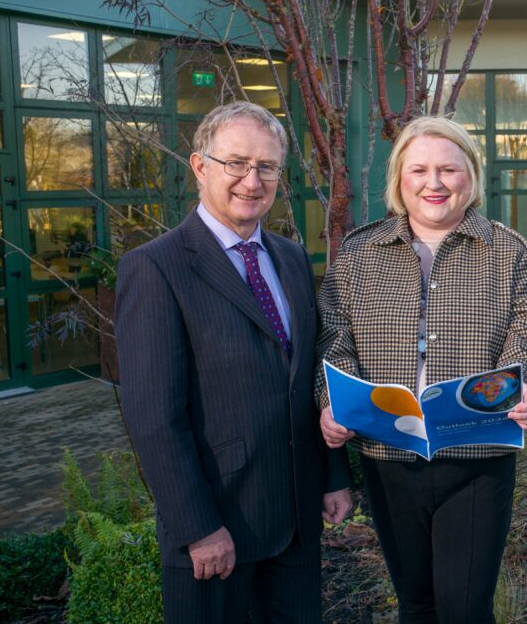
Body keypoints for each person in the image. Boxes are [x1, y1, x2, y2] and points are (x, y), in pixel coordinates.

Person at [116, 101, 353, 622]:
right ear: (200, 167)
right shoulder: (156, 268)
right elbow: (154, 418)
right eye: (236, 163)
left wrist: (333, 474)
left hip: (294, 521)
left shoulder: (290, 259)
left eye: (267, 166)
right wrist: (197, 527)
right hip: (216, 530)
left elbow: (312, 380)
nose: (252, 180)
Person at [316, 115, 527, 623]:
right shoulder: (359, 252)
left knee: (466, 609)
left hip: (478, 453)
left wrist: (526, 384)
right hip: (388, 452)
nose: (434, 183)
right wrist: (329, 400)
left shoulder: (506, 251)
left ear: (471, 175)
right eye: (419, 170)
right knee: (416, 605)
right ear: (399, 179)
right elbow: (333, 338)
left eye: (449, 169)